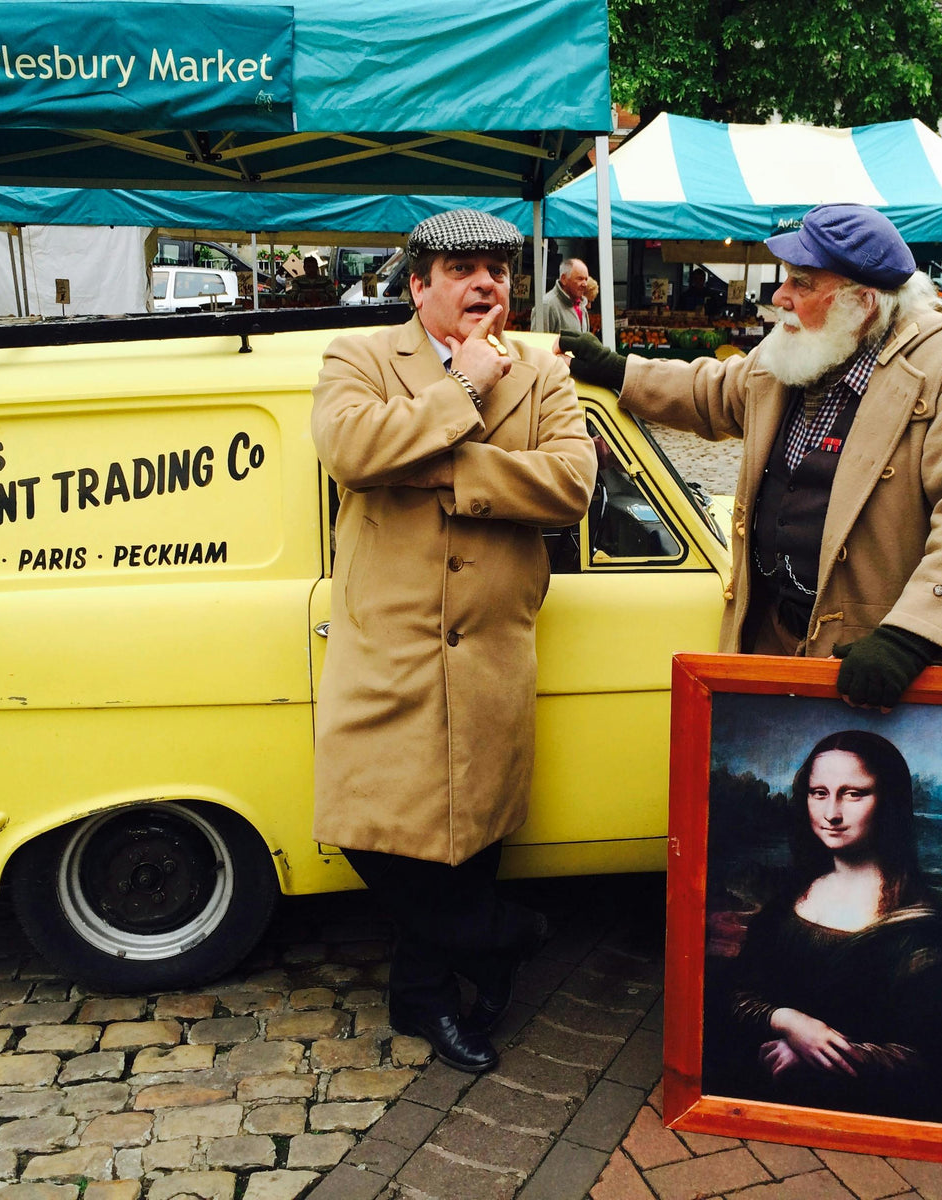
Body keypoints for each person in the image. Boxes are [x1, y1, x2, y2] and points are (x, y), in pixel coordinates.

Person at [311, 209, 597, 1072]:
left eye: (498, 271)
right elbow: (351, 448)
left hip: (493, 651)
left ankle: (426, 1001)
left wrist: (449, 466)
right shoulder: (359, 357)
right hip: (387, 650)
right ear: (418, 285)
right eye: (464, 269)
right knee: (374, 834)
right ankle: (507, 938)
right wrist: (462, 387)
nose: (485, 285)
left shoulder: (544, 371)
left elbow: (571, 485)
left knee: (471, 846)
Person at [559, 204, 942, 710]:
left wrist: (913, 636)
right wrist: (620, 371)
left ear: (862, 303)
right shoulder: (800, 351)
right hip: (773, 636)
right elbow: (710, 392)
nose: (779, 297)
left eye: (800, 283)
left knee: (846, 786)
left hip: (869, 661)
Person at [707, 730, 942, 1123]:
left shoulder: (927, 932)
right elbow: (735, 992)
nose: (831, 813)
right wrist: (789, 1021)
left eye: (853, 794)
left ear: (888, 802)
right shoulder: (790, 900)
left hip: (865, 1115)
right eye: (819, 793)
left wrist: (821, 1057)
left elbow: (937, 1056)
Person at [530, 257, 590, 334]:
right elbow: (538, 343)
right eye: (580, 279)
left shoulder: (582, 307)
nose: (585, 284)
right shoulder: (546, 306)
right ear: (564, 279)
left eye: (586, 279)